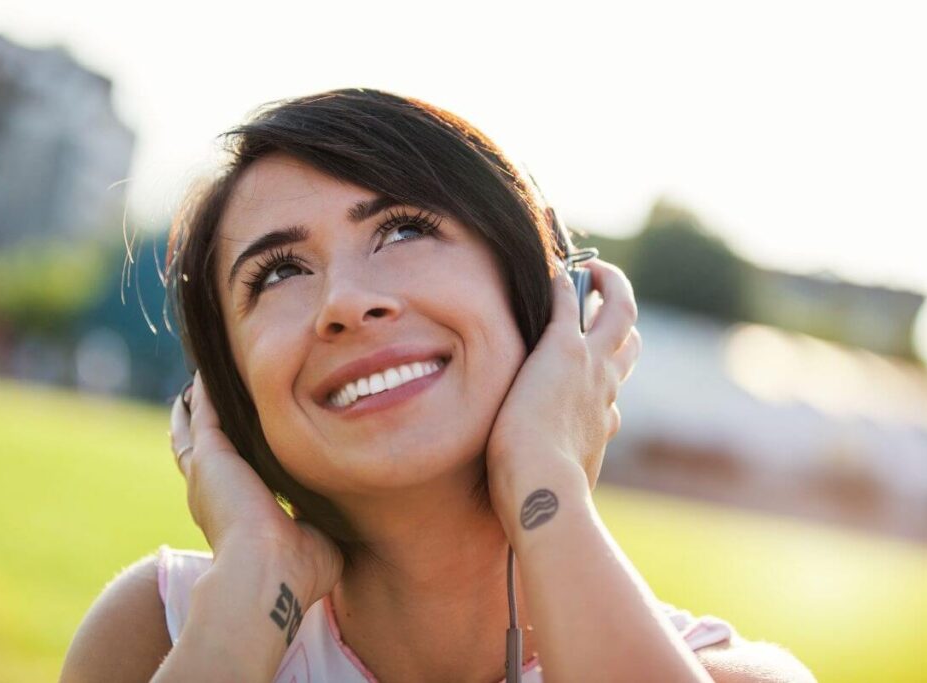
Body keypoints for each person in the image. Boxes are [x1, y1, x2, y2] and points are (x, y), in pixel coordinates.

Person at [60, 89, 815, 682]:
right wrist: (254, 580)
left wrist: (544, 481)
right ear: (225, 395)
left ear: (546, 301)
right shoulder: (158, 636)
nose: (347, 302)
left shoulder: (737, 677)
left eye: (403, 229)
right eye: (280, 271)